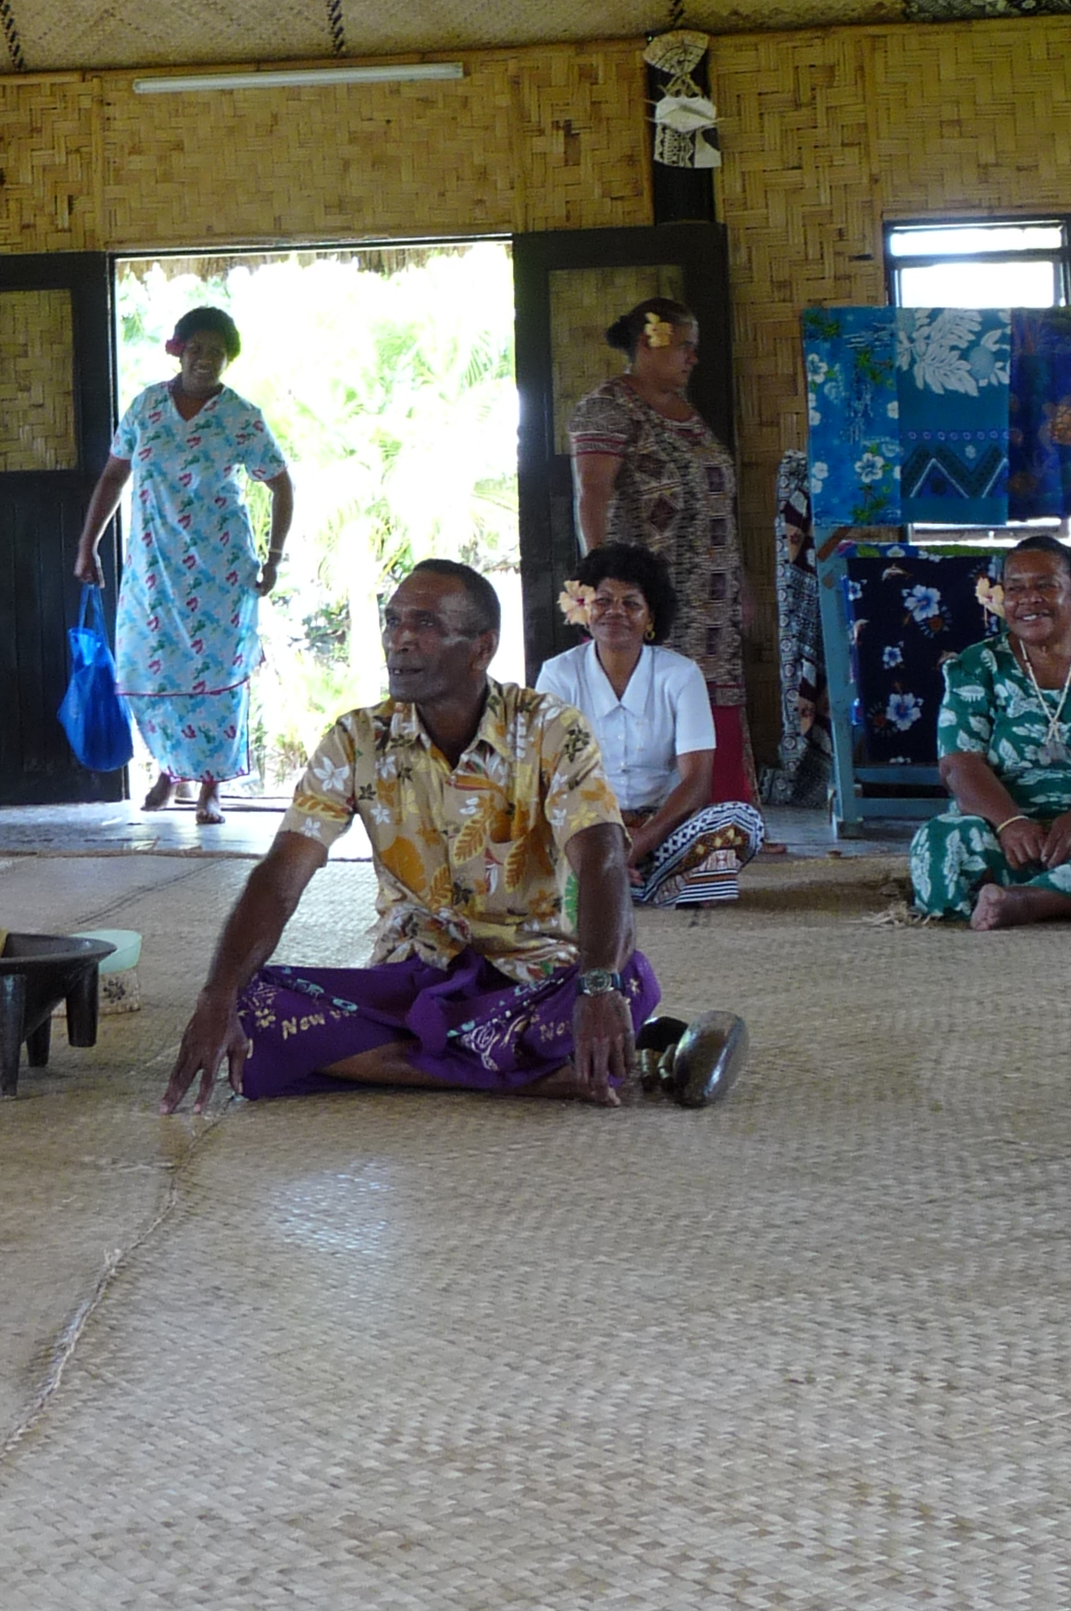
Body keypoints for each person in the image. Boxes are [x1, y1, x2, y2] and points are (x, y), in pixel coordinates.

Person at [162, 559, 748, 1113]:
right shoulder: (355, 740)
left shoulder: (549, 728)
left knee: (628, 978)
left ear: (481, 649)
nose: (400, 639)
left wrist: (597, 986)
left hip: (532, 976)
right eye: (393, 620)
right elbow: (280, 876)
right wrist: (216, 995)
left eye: (425, 624)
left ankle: (458, 1060)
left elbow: (602, 861)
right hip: (410, 978)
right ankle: (554, 1076)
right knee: (252, 1005)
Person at [73, 303, 292, 826]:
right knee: (150, 671)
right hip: (154, 569)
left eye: (217, 352)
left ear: (228, 359)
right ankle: (169, 771)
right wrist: (88, 545)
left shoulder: (240, 416)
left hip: (222, 571)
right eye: (196, 348)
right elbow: (113, 476)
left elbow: (282, 485)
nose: (205, 359)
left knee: (217, 678)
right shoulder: (147, 407)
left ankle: (211, 787)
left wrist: (274, 557)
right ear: (179, 351)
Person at [569, 296, 749, 796]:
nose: (693, 357)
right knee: (648, 701)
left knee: (711, 706)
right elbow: (593, 492)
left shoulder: (686, 413)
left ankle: (720, 813)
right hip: (647, 598)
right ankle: (651, 814)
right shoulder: (608, 407)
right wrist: (601, 583)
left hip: (712, 602)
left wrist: (742, 584)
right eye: (684, 346)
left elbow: (716, 504)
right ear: (649, 344)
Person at [534, 541, 766, 906]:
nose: (616, 612)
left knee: (740, 820)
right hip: (582, 830)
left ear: (651, 618)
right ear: (583, 610)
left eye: (631, 603)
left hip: (661, 830)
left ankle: (609, 883)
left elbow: (697, 782)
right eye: (603, 601)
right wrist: (599, 842)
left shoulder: (681, 675)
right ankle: (647, 883)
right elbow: (548, 775)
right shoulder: (558, 674)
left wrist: (639, 842)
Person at [911, 536, 1071, 926]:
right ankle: (1047, 892)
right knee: (941, 841)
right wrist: (1010, 823)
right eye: (1014, 589)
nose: (1029, 599)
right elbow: (958, 764)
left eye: (1046, 585)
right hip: (1006, 829)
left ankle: (1025, 902)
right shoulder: (978, 664)